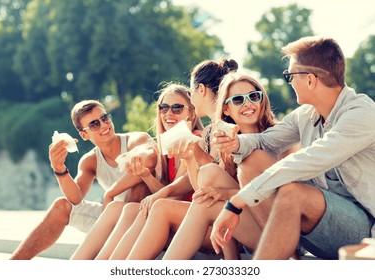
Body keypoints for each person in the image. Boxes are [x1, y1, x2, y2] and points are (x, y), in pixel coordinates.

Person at [211, 36, 375, 260]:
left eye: (290, 76)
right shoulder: (307, 114)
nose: (289, 81)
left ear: (309, 80)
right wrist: (236, 143)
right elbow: (266, 140)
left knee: (293, 192)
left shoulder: (361, 114)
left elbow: (308, 160)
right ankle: (288, 258)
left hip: (366, 233)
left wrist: (236, 203)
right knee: (252, 161)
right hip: (320, 224)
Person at [121, 59, 240, 260]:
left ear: (200, 90)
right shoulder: (212, 131)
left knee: (159, 207)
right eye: (163, 108)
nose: (191, 96)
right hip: (216, 214)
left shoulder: (228, 129)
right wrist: (192, 160)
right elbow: (203, 189)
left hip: (237, 220)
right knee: (142, 208)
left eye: (191, 92)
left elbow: (214, 184)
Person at [162, 71, 287, 259]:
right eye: (238, 100)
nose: (247, 104)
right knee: (208, 179)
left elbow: (282, 196)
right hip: (248, 227)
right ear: (226, 110)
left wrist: (226, 194)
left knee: (207, 190)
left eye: (253, 96)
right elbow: (204, 190)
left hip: (280, 228)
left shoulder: (278, 135)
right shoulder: (228, 144)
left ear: (262, 101)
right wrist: (190, 158)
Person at [70, 83, 204, 259]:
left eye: (177, 108)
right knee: (121, 208)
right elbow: (163, 196)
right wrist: (146, 175)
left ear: (191, 113)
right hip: (169, 212)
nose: (168, 114)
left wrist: (113, 191)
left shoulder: (195, 140)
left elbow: (173, 198)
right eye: (163, 108)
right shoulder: (168, 145)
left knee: (136, 210)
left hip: (193, 219)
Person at [10, 100, 156, 260]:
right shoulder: (90, 160)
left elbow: (149, 156)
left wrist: (111, 192)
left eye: (105, 118)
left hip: (141, 216)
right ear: (84, 135)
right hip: (111, 217)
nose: (103, 125)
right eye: (94, 124)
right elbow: (76, 199)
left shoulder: (134, 140)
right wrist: (59, 168)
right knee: (61, 206)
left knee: (138, 185)